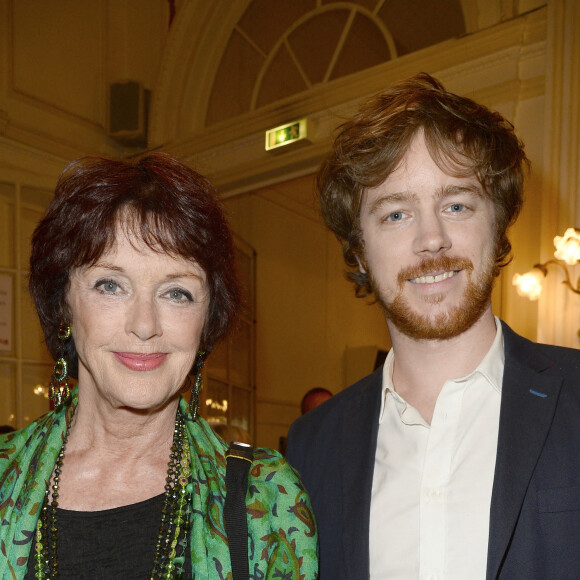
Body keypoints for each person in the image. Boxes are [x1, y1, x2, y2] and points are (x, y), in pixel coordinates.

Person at [286, 73, 580, 579]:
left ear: (498, 223)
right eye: (396, 214)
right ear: (359, 249)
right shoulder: (313, 444)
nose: (431, 239)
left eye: (457, 205)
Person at [0, 153, 318, 579]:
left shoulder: (268, 500)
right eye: (110, 285)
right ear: (63, 306)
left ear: (207, 321)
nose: (145, 325)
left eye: (176, 293)